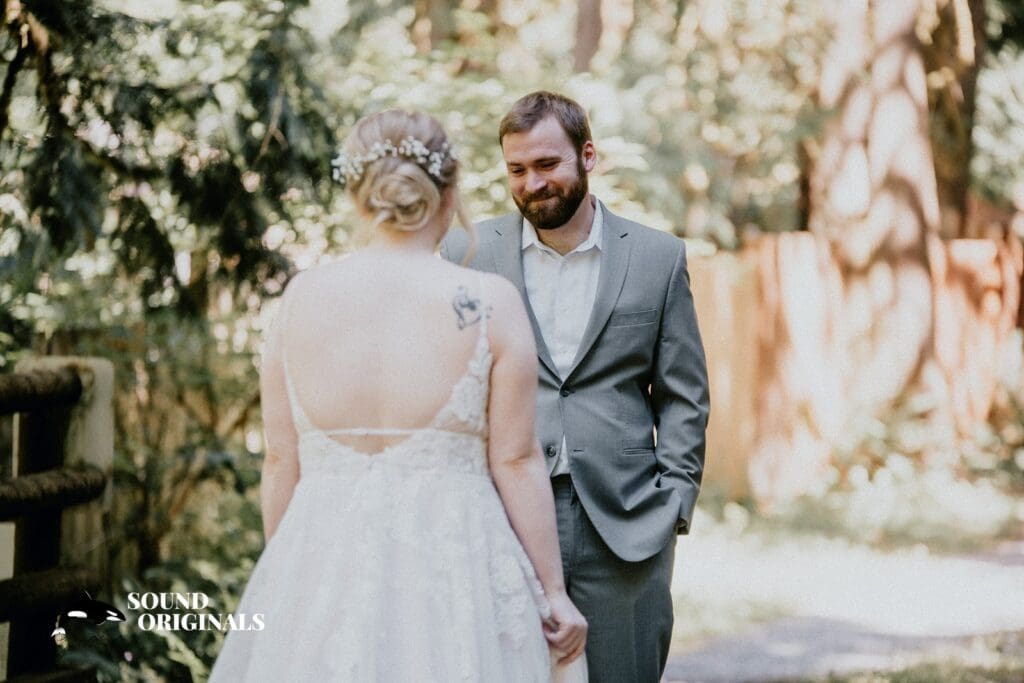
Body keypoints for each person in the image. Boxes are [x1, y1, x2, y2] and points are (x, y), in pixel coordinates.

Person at [210, 109, 588, 682]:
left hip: (323, 560)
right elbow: (515, 460)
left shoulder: (299, 300)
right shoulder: (490, 303)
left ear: (357, 196)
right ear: (448, 193)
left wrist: (287, 582)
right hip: (456, 572)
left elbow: (282, 460)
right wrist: (554, 592)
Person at [441, 91, 710, 682]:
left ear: (588, 156)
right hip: (500, 519)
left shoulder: (658, 258)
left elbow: (684, 396)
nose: (532, 183)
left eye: (547, 164)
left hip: (627, 525)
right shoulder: (466, 254)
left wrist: (673, 502)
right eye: (517, 170)